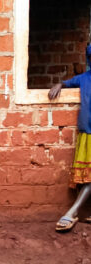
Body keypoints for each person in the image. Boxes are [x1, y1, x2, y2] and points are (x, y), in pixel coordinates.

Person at [49, 44, 91, 232]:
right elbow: (68, 82)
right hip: (87, 132)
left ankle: (71, 212)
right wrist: (60, 84)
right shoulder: (84, 78)